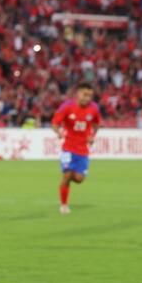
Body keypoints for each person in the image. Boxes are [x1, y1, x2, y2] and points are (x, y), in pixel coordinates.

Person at [52, 82, 101, 215]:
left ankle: (67, 178)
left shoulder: (94, 108)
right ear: (78, 94)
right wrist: (59, 132)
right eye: (85, 94)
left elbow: (97, 123)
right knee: (67, 174)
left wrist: (92, 135)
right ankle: (64, 205)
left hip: (82, 150)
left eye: (90, 95)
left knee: (79, 179)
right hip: (68, 147)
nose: (87, 98)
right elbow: (55, 123)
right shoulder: (67, 106)